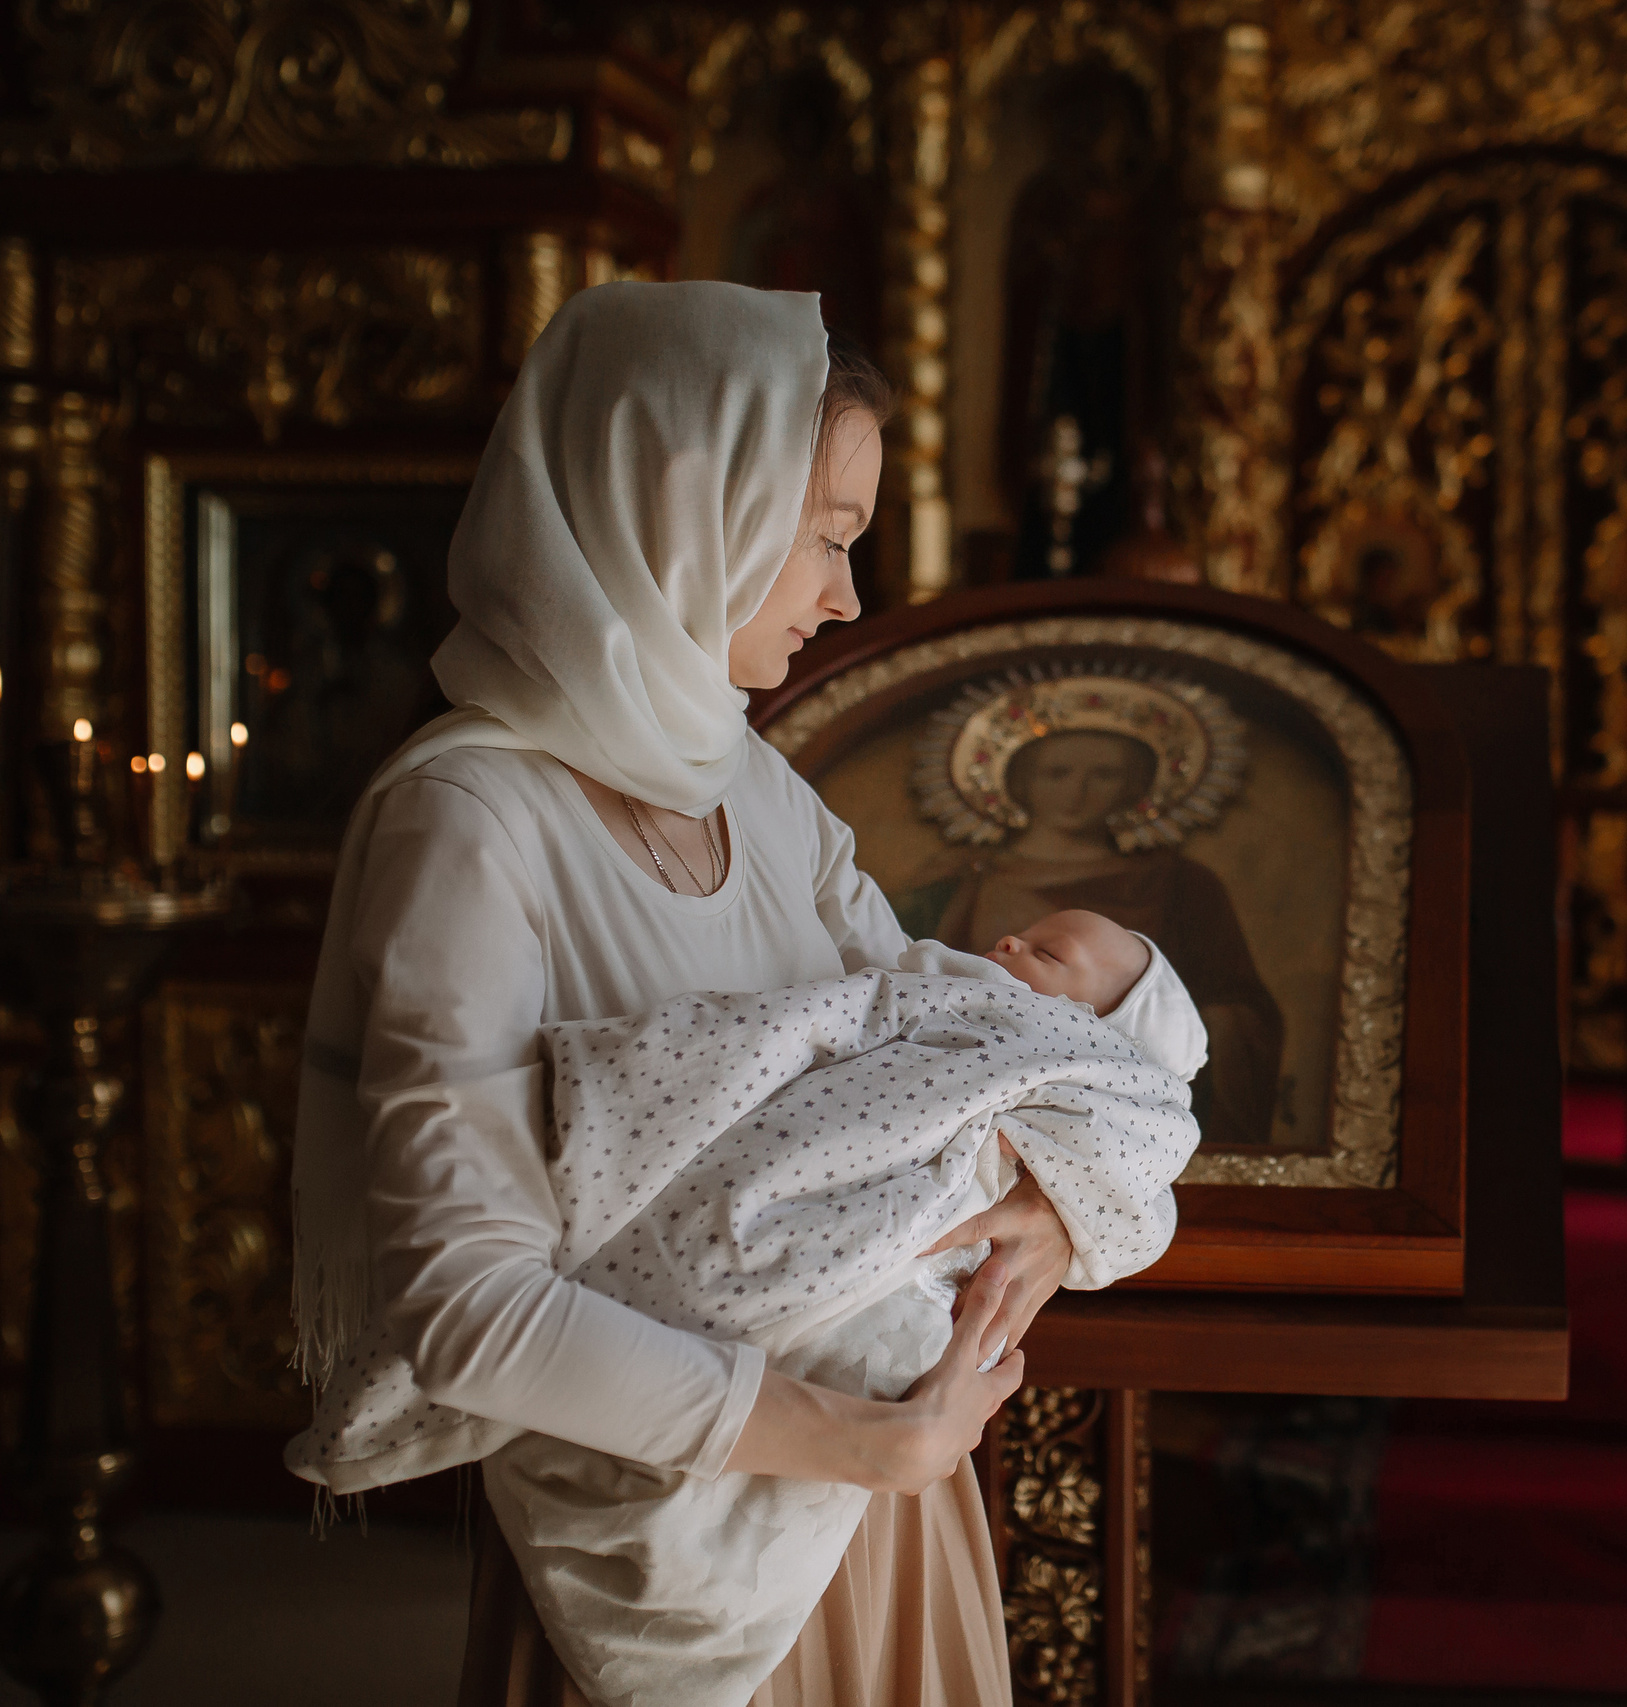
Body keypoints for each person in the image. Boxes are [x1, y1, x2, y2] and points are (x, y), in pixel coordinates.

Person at [288, 280, 1206, 1704]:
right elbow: (461, 1303)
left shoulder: (755, 790)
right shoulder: (470, 821)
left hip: (886, 1499)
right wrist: (851, 1437)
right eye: (830, 535)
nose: (850, 594)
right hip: (692, 1532)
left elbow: (945, 1050)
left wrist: (1045, 1188)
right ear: (676, 507)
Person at [294, 906, 1204, 1705]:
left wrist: (1062, 1199)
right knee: (703, 1264)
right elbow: (844, 1014)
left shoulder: (1109, 1077)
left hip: (905, 1323)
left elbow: (1142, 1186)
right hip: (775, 1196)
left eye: (1049, 954)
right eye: (1027, 930)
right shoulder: (951, 988)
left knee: (843, 1333)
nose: (1011, 940)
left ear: (1103, 1026)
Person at [901, 727, 1285, 1151]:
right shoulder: (954, 877)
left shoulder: (1182, 885)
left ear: (1136, 786)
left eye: (1104, 775)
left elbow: (1240, 1012)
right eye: (1056, 773)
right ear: (1020, 780)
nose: (1077, 791)